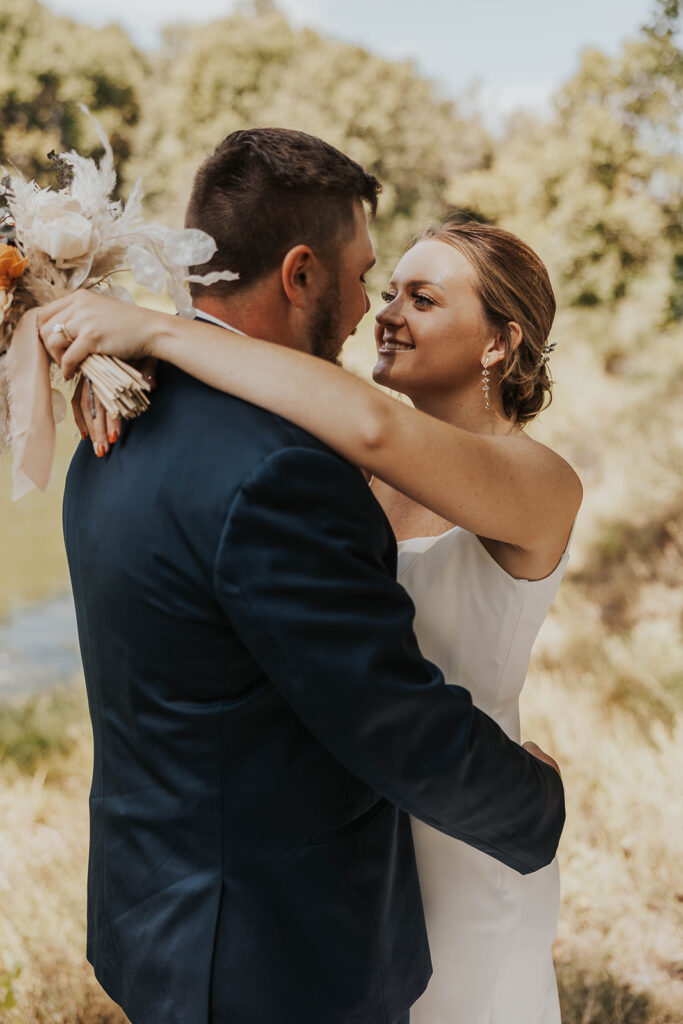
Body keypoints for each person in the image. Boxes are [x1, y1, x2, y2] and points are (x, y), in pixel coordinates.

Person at [39, 129, 568, 1024]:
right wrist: (538, 800)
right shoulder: (295, 467)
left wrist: (163, 334)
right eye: (376, 280)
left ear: (497, 344)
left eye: (420, 296)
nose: (380, 307)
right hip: (289, 917)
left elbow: (378, 429)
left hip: (441, 846)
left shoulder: (135, 434)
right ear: (298, 275)